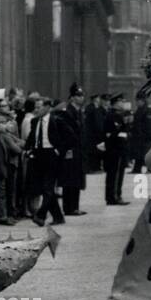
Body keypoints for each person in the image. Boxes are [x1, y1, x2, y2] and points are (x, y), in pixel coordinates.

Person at [26, 97, 66, 226]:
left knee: (48, 187)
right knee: (44, 188)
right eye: (35, 107)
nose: (36, 110)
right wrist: (28, 149)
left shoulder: (57, 121)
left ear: (48, 107)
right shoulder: (34, 121)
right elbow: (31, 137)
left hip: (51, 154)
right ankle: (58, 217)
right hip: (38, 155)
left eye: (40, 107)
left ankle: (40, 215)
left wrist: (59, 150)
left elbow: (71, 137)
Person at [100, 94, 131, 205]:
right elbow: (113, 133)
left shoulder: (118, 115)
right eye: (121, 101)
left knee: (117, 174)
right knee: (115, 174)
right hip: (115, 149)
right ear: (116, 103)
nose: (123, 103)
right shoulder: (112, 116)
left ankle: (115, 195)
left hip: (118, 148)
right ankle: (113, 197)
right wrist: (124, 134)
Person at [61, 84, 87, 215]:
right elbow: (67, 132)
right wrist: (68, 148)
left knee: (76, 177)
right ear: (72, 97)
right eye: (78, 95)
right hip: (70, 149)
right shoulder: (68, 111)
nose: (81, 98)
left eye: (82, 95)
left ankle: (75, 206)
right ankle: (68, 207)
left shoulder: (78, 111)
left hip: (78, 149)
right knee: (69, 178)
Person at [129, 95, 151, 173]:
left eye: (138, 101)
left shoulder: (149, 110)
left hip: (147, 137)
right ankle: (137, 169)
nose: (136, 103)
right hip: (138, 136)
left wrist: (148, 135)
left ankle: (150, 169)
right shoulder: (139, 110)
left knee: (146, 153)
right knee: (138, 153)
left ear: (142, 101)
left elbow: (150, 125)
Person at [84, 93, 107, 173]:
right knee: (92, 152)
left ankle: (96, 167)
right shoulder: (90, 108)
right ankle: (92, 168)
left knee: (97, 151)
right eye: (98, 98)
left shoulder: (99, 108)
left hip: (97, 134)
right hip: (91, 134)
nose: (99, 100)